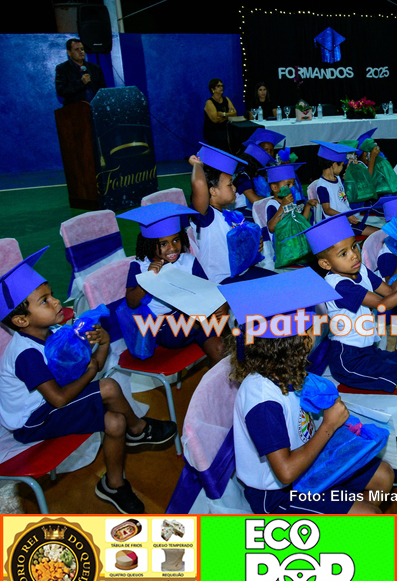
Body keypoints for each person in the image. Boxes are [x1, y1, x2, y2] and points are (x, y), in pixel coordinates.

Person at [0, 248, 177, 513]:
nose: (57, 302)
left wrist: (103, 344)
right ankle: (138, 429)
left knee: (115, 421)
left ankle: (113, 484)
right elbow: (60, 399)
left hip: (49, 406)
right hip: (31, 420)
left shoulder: (54, 334)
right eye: (45, 301)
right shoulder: (27, 354)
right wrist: (91, 371)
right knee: (108, 387)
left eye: (51, 295)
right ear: (21, 320)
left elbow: (92, 366)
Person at [221, 268, 395, 514]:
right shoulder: (262, 401)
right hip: (277, 493)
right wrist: (329, 425)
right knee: (369, 515)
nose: (318, 331)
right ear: (296, 343)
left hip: (306, 461)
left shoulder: (283, 369)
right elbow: (285, 472)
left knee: (383, 476)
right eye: (312, 327)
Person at [302, 211, 397, 399]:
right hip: (349, 359)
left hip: (368, 350)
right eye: (344, 253)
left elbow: (390, 292)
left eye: (354, 247)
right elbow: (383, 304)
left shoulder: (361, 271)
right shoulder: (338, 285)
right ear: (326, 264)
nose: (354, 256)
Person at [118, 202, 226, 365]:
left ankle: (221, 375)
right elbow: (131, 302)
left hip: (194, 319)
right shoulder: (140, 266)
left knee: (219, 348)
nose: (172, 248)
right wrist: (148, 279)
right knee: (205, 319)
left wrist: (221, 305)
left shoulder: (188, 261)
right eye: (163, 244)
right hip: (163, 326)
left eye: (176, 240)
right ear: (149, 244)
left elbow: (208, 290)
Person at [189, 143, 273, 284]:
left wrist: (252, 244)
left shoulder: (232, 215)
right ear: (213, 191)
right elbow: (199, 184)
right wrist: (197, 165)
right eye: (229, 184)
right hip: (221, 279)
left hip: (241, 272)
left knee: (278, 281)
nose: (234, 188)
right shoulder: (206, 217)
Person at [311, 140, 378, 236]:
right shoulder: (322, 186)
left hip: (347, 220)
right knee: (377, 233)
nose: (342, 167)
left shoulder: (337, 178)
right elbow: (327, 209)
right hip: (338, 225)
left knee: (379, 231)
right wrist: (346, 216)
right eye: (342, 165)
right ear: (334, 164)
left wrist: (351, 166)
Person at [55, 38, 106, 106]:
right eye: (77, 49)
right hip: (75, 109)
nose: (81, 51)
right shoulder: (62, 68)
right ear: (69, 52)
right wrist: (81, 83)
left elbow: (103, 89)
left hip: (96, 107)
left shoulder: (95, 68)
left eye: (82, 49)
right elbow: (61, 91)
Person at [203, 78, 237, 153]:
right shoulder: (209, 102)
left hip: (225, 128)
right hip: (213, 130)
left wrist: (222, 114)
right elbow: (215, 120)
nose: (221, 88)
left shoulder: (226, 99)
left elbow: (234, 113)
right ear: (213, 89)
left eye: (222, 86)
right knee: (223, 137)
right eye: (218, 86)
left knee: (236, 134)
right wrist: (228, 116)